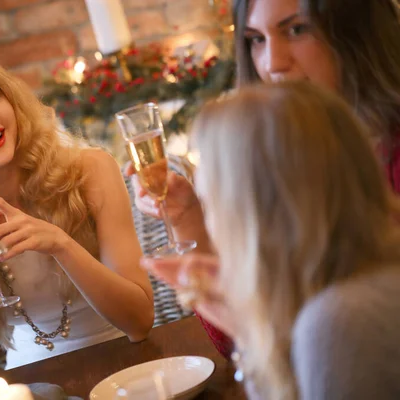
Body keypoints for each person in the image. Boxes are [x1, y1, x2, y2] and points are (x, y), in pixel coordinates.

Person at [126, 0, 400, 358]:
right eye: (256, 39)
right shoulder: (284, 155)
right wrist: (187, 219)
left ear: (359, 31)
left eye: (297, 30)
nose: (272, 63)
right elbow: (238, 344)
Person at [0, 47, 154, 381]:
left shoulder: (90, 170)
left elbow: (139, 322)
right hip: (29, 382)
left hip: (126, 362)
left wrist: (61, 245)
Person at [148, 81, 400, 399]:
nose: (212, 223)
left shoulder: (337, 321)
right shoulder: (356, 274)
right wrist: (248, 331)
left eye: (210, 202)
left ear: (256, 212)